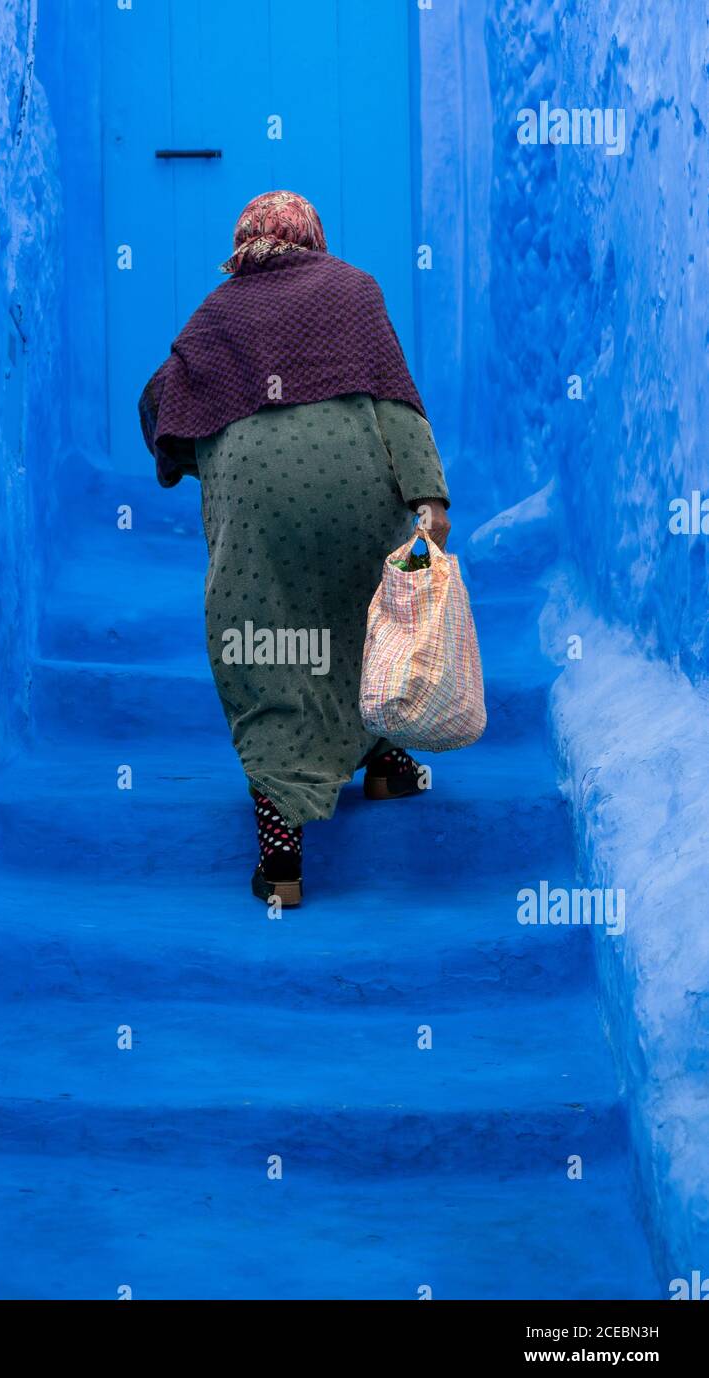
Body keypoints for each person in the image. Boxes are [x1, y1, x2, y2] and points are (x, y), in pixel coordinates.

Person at [140, 190, 450, 907]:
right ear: (313, 238)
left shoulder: (217, 313)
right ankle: (386, 762)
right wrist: (428, 498)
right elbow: (395, 402)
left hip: (256, 507)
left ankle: (282, 855)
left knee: (267, 648)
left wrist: (194, 454)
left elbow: (162, 398)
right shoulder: (356, 291)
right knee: (364, 618)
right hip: (356, 488)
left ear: (243, 245)